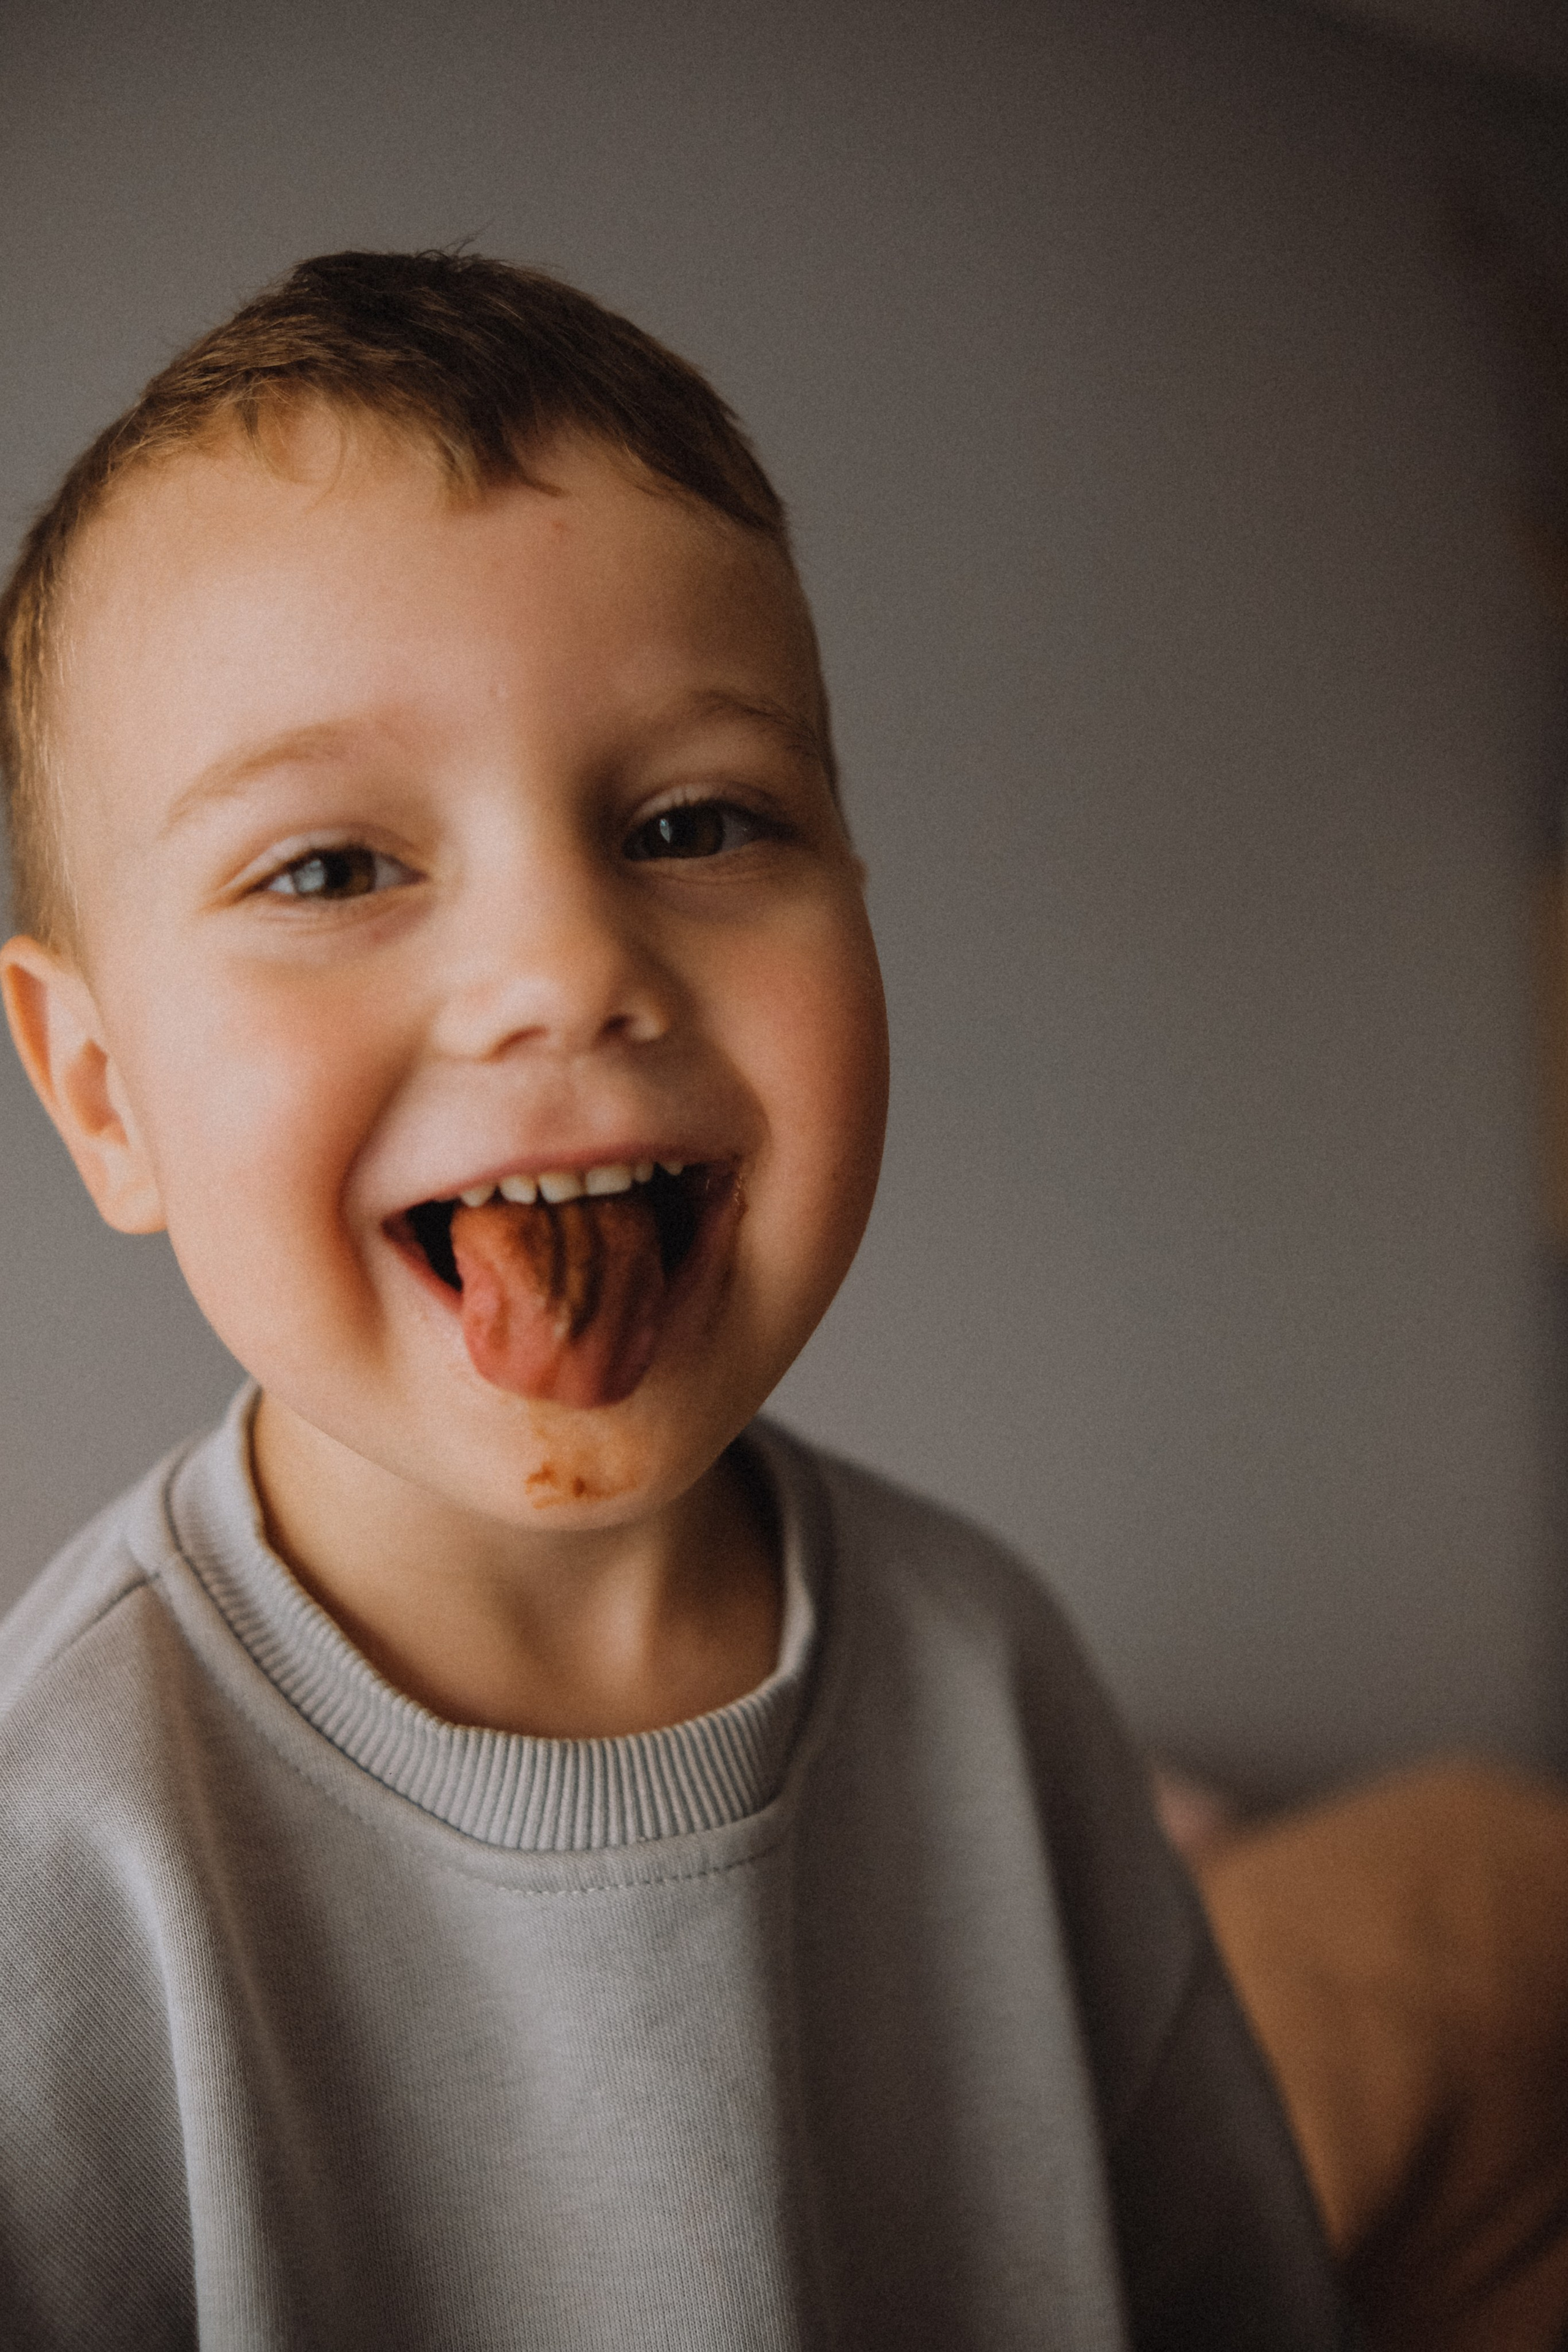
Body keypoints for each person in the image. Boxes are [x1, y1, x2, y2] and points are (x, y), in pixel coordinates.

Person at [0, 249, 1348, 2350]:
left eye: (694, 821)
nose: (563, 968)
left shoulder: (995, 1678)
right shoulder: (56, 1843)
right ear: (101, 1093)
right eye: (335, 868)